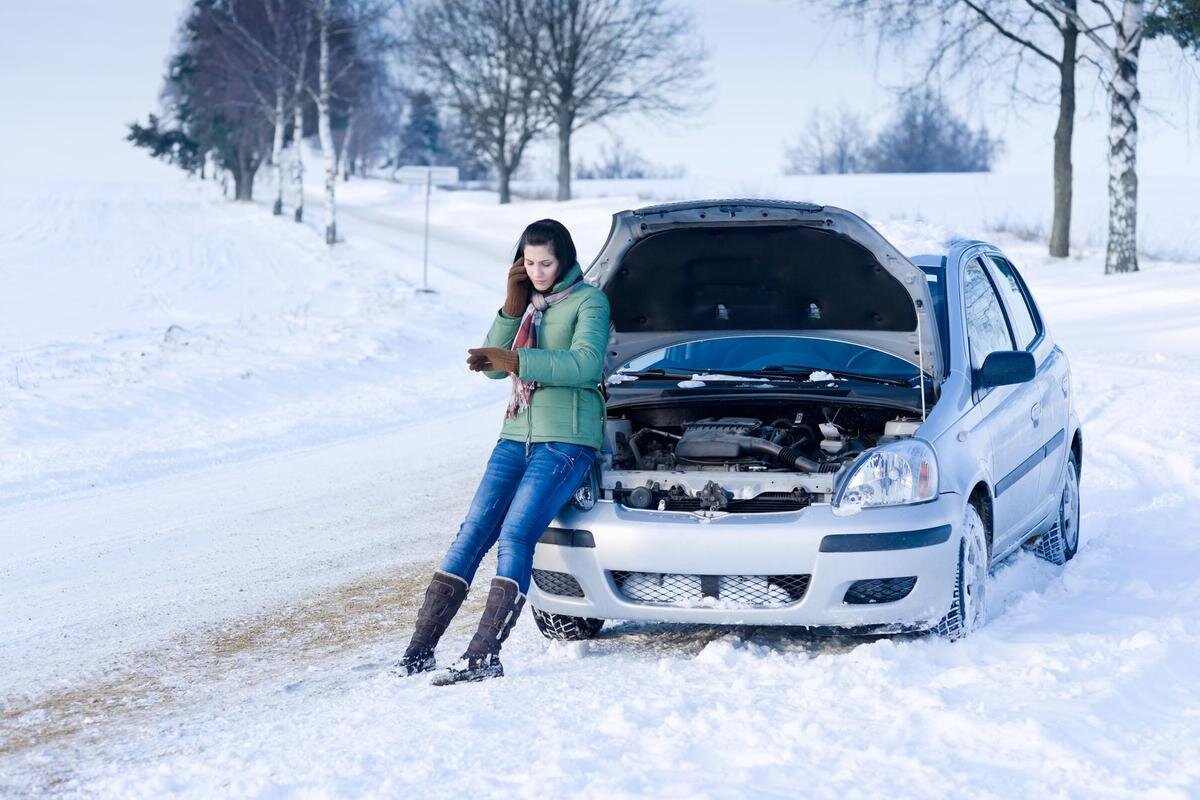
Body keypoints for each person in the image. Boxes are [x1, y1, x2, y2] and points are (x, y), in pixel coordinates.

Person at [395, 218, 611, 686]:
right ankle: (418, 650)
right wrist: (511, 309)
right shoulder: (526, 307)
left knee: (515, 535)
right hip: (516, 434)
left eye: (546, 263)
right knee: (471, 533)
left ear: (566, 259)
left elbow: (585, 363)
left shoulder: (589, 301)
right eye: (529, 263)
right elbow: (495, 371)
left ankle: (483, 655)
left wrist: (516, 360)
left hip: (567, 439)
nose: (537, 272)